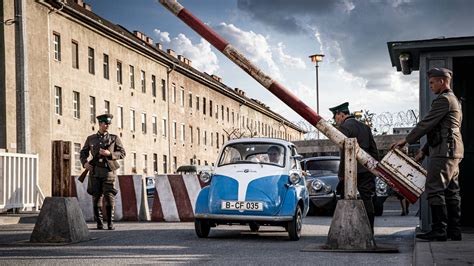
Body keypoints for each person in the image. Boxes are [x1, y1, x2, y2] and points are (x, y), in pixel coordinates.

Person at [392, 67, 463, 241]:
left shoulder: (444, 100)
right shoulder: (453, 100)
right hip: (452, 150)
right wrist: (424, 152)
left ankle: (439, 230)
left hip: (444, 151)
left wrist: (406, 140)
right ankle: (454, 231)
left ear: (443, 81)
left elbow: (426, 124)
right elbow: (438, 129)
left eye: (432, 82)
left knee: (433, 188)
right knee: (452, 191)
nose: (430, 86)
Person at [330, 102, 379, 232]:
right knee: (367, 199)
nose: (336, 120)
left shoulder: (345, 128)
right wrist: (374, 169)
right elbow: (374, 151)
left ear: (341, 114)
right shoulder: (365, 127)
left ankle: (346, 231)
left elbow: (344, 153)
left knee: (346, 199)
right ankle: (370, 231)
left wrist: (341, 173)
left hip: (350, 170)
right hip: (366, 169)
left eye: (336, 117)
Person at [80, 114, 126, 230]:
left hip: (108, 171)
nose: (107, 125)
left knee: (109, 196)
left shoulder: (114, 138)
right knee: (96, 197)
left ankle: (110, 223)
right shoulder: (91, 139)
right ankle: (99, 223)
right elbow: (83, 153)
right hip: (95, 172)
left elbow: (123, 153)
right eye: (105, 123)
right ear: (99, 124)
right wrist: (85, 163)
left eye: (109, 123)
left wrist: (110, 154)